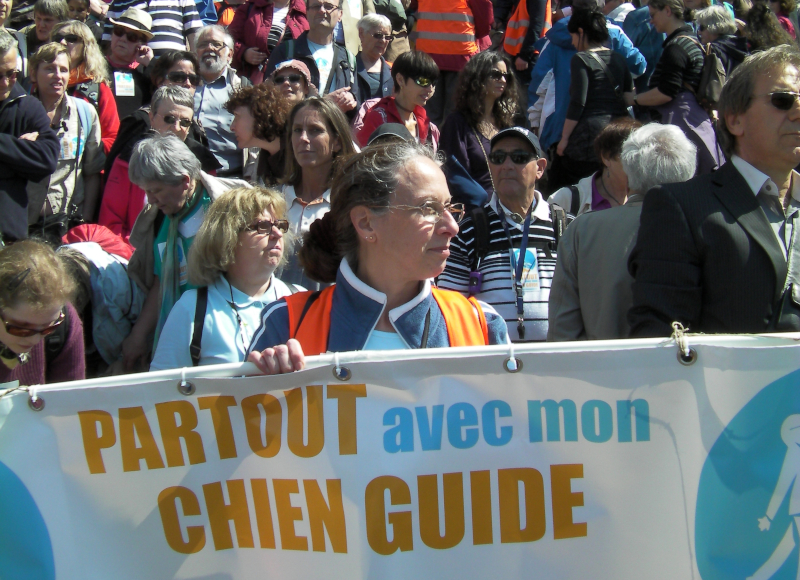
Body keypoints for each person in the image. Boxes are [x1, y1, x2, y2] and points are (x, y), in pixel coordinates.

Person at [246, 142, 508, 375]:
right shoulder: (286, 323)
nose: (452, 227)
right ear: (366, 223)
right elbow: (240, 425)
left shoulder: (482, 324)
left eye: (451, 208)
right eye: (428, 208)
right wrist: (269, 396)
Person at [628, 46, 800, 336]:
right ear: (734, 120)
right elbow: (661, 334)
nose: (798, 112)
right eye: (783, 100)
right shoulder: (680, 206)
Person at [547, 123, 696, 341]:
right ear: (688, 171)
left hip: (598, 371)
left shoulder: (582, 230)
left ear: (629, 168)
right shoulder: (704, 228)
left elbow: (563, 331)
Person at [122, 133, 247, 371]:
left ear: (185, 181)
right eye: (146, 191)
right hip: (178, 335)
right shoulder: (162, 219)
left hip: (218, 338)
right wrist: (138, 336)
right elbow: (161, 283)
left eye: (156, 190)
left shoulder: (226, 213)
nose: (151, 199)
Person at [438, 126, 563, 342]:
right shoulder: (467, 230)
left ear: (540, 168)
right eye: (497, 158)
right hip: (491, 365)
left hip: (556, 365)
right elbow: (451, 307)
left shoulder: (565, 227)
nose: (506, 166)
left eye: (519, 157)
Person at [151, 186, 298, 369]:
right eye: (263, 227)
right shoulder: (192, 309)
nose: (277, 234)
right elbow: (163, 389)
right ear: (228, 237)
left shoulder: (300, 299)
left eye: (280, 225)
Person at [527, 0, 646, 162]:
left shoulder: (555, 39)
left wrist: (534, 124)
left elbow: (539, 84)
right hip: (610, 130)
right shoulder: (615, 35)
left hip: (560, 129)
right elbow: (639, 67)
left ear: (572, 9)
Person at [99, 86, 219, 241]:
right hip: (134, 251)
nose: (176, 128)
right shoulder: (128, 159)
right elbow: (111, 222)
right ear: (151, 118)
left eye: (185, 122)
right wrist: (133, 254)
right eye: (169, 119)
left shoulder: (204, 163)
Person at [632, 0, 724, 175]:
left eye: (653, 15)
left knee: (686, 177)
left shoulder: (677, 47)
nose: (651, 21)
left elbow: (666, 92)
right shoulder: (692, 40)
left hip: (682, 121)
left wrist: (634, 99)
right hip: (695, 118)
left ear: (667, 10)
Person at [27, 42, 104, 239]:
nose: (58, 75)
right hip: (25, 225)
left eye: (63, 70)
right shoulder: (19, 113)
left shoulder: (85, 113)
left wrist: (85, 219)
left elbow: (92, 172)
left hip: (69, 225)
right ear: (33, 73)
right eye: (49, 69)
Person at [278, 96, 356, 289]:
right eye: (297, 130)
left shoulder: (352, 206)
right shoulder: (274, 202)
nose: (303, 138)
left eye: (315, 130)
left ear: (337, 142)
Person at [555, 8, 634, 185]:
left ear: (581, 32)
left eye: (573, 36)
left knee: (572, 181)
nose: (573, 42)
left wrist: (565, 138)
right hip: (618, 131)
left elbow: (578, 102)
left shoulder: (581, 59)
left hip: (590, 136)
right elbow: (629, 96)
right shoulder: (618, 58)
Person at [0, 29, 59, 243]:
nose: (6, 82)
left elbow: (46, 160)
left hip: (10, 239)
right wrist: (18, 153)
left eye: (12, 74)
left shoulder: (28, 106)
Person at [0, 239, 85, 385]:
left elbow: (70, 400)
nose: (34, 340)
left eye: (49, 327)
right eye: (20, 329)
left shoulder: (66, 322)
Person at [440, 51, 521, 195]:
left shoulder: (505, 124)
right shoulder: (457, 123)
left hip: (508, 202)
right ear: (478, 77)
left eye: (506, 76)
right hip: (477, 207)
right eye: (495, 74)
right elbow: (457, 176)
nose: (502, 80)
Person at [264, 0, 359, 116]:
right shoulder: (285, 52)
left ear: (340, 14)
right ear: (307, 12)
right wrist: (326, 102)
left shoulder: (348, 58)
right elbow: (268, 99)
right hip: (294, 131)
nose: (322, 10)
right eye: (316, 6)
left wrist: (351, 99)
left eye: (329, 6)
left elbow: (357, 103)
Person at [413, 0, 494, 127]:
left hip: (428, 56)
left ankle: (429, 144)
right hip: (459, 56)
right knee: (456, 114)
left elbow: (411, 6)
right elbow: (484, 15)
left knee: (428, 114)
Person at [548, 117, 641, 216]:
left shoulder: (649, 201)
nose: (640, 165)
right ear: (607, 157)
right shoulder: (565, 199)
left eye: (644, 158)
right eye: (633, 157)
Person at [51, 20, 120, 154]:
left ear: (86, 46)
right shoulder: (40, 81)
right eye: (57, 38)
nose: (62, 42)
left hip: (83, 169)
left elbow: (112, 137)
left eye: (71, 39)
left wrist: (84, 150)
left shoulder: (98, 88)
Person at [194, 25, 253, 178]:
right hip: (186, 181)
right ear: (195, 53)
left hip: (229, 180)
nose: (209, 48)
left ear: (229, 54)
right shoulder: (183, 84)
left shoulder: (243, 89)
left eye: (216, 44)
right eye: (203, 44)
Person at [356, 50, 439, 148]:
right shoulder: (378, 118)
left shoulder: (428, 125)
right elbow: (364, 159)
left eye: (433, 83)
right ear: (400, 79)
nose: (430, 89)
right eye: (423, 81)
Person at [226, 82, 292, 185]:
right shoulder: (264, 160)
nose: (232, 127)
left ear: (259, 113)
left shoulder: (298, 153)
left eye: (237, 116)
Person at [228, 0, 308, 84]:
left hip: (291, 83)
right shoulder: (250, 8)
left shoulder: (306, 11)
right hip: (255, 82)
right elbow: (229, 40)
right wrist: (243, 53)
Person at [103, 0, 203, 56]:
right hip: (132, 77)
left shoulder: (182, 1)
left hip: (173, 76)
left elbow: (197, 40)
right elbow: (107, 46)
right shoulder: (118, 3)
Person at [105, 7, 154, 119]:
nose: (122, 39)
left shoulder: (146, 72)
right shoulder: (95, 64)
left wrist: (150, 64)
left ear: (143, 43)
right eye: (119, 32)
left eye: (132, 37)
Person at [13, 0, 68, 90]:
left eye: (47, 20)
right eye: (38, 18)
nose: (41, 25)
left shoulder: (71, 42)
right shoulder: (21, 39)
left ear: (61, 22)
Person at [622, 0, 666, 95]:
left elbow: (625, 59)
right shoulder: (681, 11)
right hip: (674, 93)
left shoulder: (637, 17)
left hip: (644, 93)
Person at [355, 13, 392, 104]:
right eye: (378, 35)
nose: (383, 41)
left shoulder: (393, 70)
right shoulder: (348, 68)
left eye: (387, 37)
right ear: (361, 34)